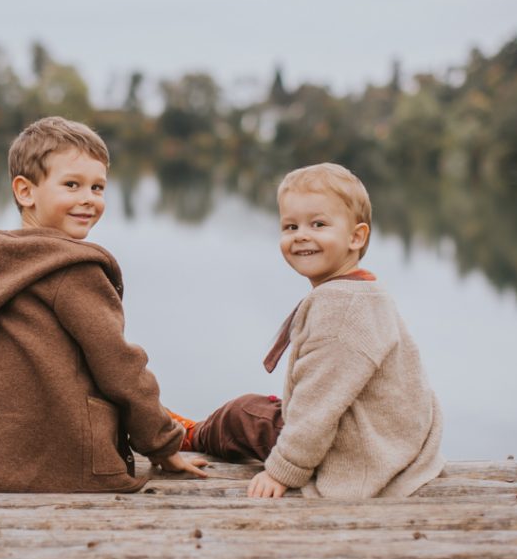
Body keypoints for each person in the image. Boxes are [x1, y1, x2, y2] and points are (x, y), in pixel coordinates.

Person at [0, 116, 207, 492]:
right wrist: (162, 444)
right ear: (25, 191)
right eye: (72, 185)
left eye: (98, 188)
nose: (88, 200)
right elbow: (120, 366)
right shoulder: (74, 271)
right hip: (64, 465)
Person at [170, 163, 444, 499]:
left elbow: (319, 409)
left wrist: (282, 472)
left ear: (356, 237)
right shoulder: (365, 291)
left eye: (318, 224)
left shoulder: (339, 308)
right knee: (271, 409)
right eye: (290, 226)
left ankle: (188, 435)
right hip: (390, 436)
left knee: (243, 413)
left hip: (356, 450)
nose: (301, 235)